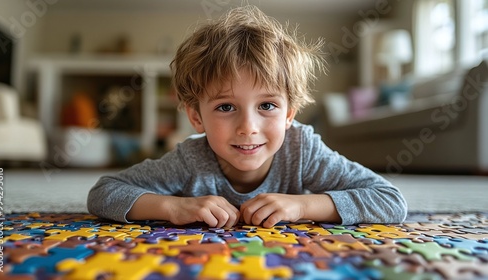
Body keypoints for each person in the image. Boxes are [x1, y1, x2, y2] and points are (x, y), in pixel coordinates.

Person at [87, 5, 407, 228]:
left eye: (267, 106)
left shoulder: (302, 149)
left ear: (289, 115)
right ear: (196, 118)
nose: (248, 128)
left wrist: (302, 206)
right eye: (226, 107)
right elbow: (104, 193)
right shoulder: (190, 160)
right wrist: (173, 207)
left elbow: (390, 200)